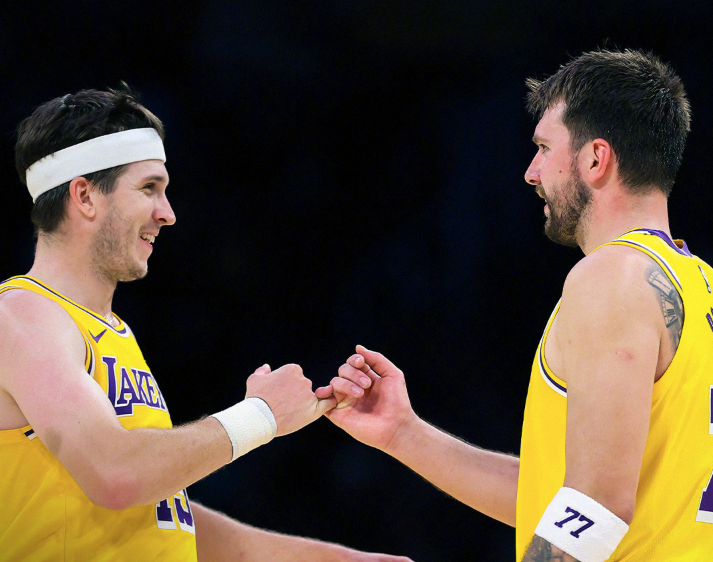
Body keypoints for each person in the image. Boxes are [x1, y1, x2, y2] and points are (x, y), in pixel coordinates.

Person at [317, 49, 713, 561]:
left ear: (596, 159)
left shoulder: (611, 276)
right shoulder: (698, 284)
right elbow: (561, 500)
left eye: (545, 148)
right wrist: (404, 434)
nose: (531, 172)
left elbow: (596, 506)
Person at [0, 86, 412, 562]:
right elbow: (115, 474)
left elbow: (160, 514)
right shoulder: (21, 314)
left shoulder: (106, 331)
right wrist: (261, 415)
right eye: (148, 188)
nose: (168, 213)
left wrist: (340, 560)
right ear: (85, 195)